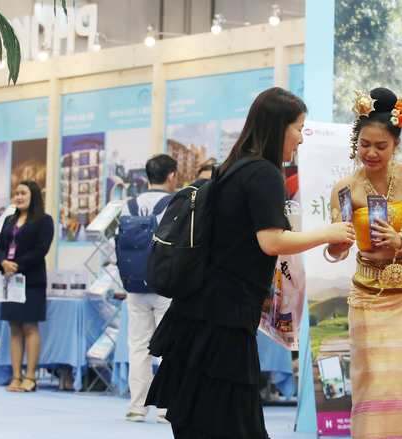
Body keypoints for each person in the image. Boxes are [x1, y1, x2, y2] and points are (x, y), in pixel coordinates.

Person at [145, 87, 355, 439]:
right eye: (298, 128)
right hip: (224, 315)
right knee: (230, 421)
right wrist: (329, 232)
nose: (301, 139)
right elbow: (271, 240)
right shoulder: (264, 173)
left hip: (203, 308)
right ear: (277, 127)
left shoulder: (232, 166)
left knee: (198, 415)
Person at [326, 88, 402, 438]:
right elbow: (338, 249)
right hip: (369, 296)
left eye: (381, 146)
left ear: (396, 144)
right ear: (356, 141)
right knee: (375, 382)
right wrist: (334, 247)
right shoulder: (345, 190)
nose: (372, 153)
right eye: (365, 144)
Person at [121, 154, 178, 423]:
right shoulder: (173, 203)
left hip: (134, 284)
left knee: (137, 345)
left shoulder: (129, 205)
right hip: (164, 285)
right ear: (171, 177)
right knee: (169, 345)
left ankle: (136, 406)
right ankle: (165, 408)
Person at [0, 180, 54, 392]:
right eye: (16, 193)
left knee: (30, 327)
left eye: (23, 193)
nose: (18, 197)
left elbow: (41, 250)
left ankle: (30, 377)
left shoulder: (45, 220)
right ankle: (16, 376)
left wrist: (16, 266)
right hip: (10, 281)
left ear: (34, 195)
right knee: (14, 327)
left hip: (32, 280)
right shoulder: (10, 220)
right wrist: (3, 263)